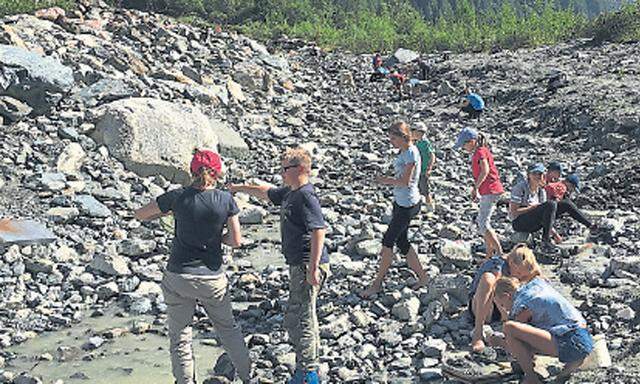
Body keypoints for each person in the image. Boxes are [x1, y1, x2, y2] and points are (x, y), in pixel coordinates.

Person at [134, 149, 251, 384]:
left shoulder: (177, 197)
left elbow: (140, 214)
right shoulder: (226, 200)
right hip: (212, 278)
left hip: (179, 275)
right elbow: (236, 241)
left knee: (180, 336)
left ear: (191, 171)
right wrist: (218, 238)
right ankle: (249, 378)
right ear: (217, 173)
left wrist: (164, 213)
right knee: (228, 329)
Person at [227, 147, 329, 384]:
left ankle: (308, 374)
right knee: (295, 317)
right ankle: (307, 365)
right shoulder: (290, 192)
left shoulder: (306, 195)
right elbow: (267, 192)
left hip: (306, 264)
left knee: (303, 317)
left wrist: (313, 267)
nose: (282, 174)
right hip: (298, 265)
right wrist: (239, 188)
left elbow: (318, 230)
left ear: (301, 169)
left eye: (286, 169)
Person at [362, 121, 428, 297]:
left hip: (408, 204)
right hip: (401, 202)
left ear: (402, 137)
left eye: (393, 138)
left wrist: (384, 180)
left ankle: (377, 284)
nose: (391, 141)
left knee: (387, 242)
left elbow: (406, 182)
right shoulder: (406, 151)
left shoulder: (411, 154)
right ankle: (423, 278)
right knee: (402, 241)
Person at [493, 277, 594, 384]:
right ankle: (570, 366)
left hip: (572, 342)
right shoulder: (535, 287)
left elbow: (516, 337)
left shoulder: (522, 305)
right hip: (583, 338)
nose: (506, 310)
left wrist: (501, 342)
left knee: (509, 328)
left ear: (506, 296)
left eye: (503, 305)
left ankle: (531, 378)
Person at [468, 243, 542, 352]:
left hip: (507, 304)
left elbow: (537, 273)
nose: (520, 276)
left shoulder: (519, 263)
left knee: (536, 283)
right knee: (488, 279)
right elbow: (496, 291)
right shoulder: (497, 265)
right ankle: (478, 333)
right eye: (518, 273)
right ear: (511, 262)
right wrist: (505, 314)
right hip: (485, 307)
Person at [454, 127, 504, 259]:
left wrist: (475, 188)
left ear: (472, 141)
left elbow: (485, 170)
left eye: (464, 145)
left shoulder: (480, 152)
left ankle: (499, 253)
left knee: (483, 223)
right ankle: (489, 255)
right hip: (490, 189)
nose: (463, 148)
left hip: (490, 189)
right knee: (483, 222)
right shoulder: (481, 151)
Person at [509, 163, 561, 254]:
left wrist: (555, 234)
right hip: (519, 222)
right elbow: (514, 212)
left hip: (534, 223)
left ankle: (591, 227)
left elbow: (547, 215)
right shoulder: (520, 188)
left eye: (540, 174)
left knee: (561, 205)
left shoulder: (541, 191)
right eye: (534, 173)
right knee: (550, 205)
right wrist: (532, 208)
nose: (537, 176)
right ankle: (546, 241)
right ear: (529, 175)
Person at [413, 123, 436, 211]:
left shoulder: (425, 143)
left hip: (423, 170)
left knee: (425, 189)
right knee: (416, 188)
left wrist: (429, 168)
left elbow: (432, 155)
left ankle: (430, 207)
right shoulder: (415, 142)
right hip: (416, 170)